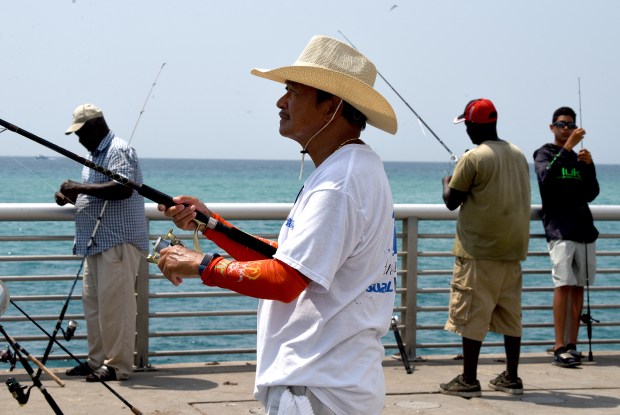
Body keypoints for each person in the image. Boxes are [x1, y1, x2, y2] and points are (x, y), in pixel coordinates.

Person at [156, 35, 398, 414]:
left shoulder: (339, 184)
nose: (280, 102)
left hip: (317, 390)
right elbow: (293, 258)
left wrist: (198, 264)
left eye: (292, 92)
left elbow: (285, 281)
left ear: (330, 106)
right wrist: (211, 225)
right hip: (332, 382)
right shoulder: (354, 169)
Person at [439, 98, 531, 397]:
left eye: (466, 124)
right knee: (510, 317)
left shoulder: (473, 158)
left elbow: (452, 201)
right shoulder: (517, 154)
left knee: (471, 318)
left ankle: (468, 379)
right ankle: (512, 378)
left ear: (471, 125)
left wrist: (446, 181)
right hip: (512, 249)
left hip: (478, 251)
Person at [55, 103, 149, 381]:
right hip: (95, 241)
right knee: (94, 305)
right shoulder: (94, 154)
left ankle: (117, 365)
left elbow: (123, 187)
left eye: (81, 133)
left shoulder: (118, 149)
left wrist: (79, 187)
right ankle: (97, 360)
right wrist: (72, 196)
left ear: (95, 126)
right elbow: (97, 191)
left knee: (115, 307)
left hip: (117, 241)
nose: (79, 139)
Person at [533, 106, 599, 368]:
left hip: (584, 230)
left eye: (571, 125)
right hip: (559, 231)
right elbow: (546, 179)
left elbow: (592, 193)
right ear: (552, 127)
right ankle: (559, 345)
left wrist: (590, 166)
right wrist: (567, 148)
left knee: (578, 286)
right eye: (561, 124)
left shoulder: (578, 158)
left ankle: (573, 343)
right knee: (562, 285)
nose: (567, 129)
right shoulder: (545, 153)